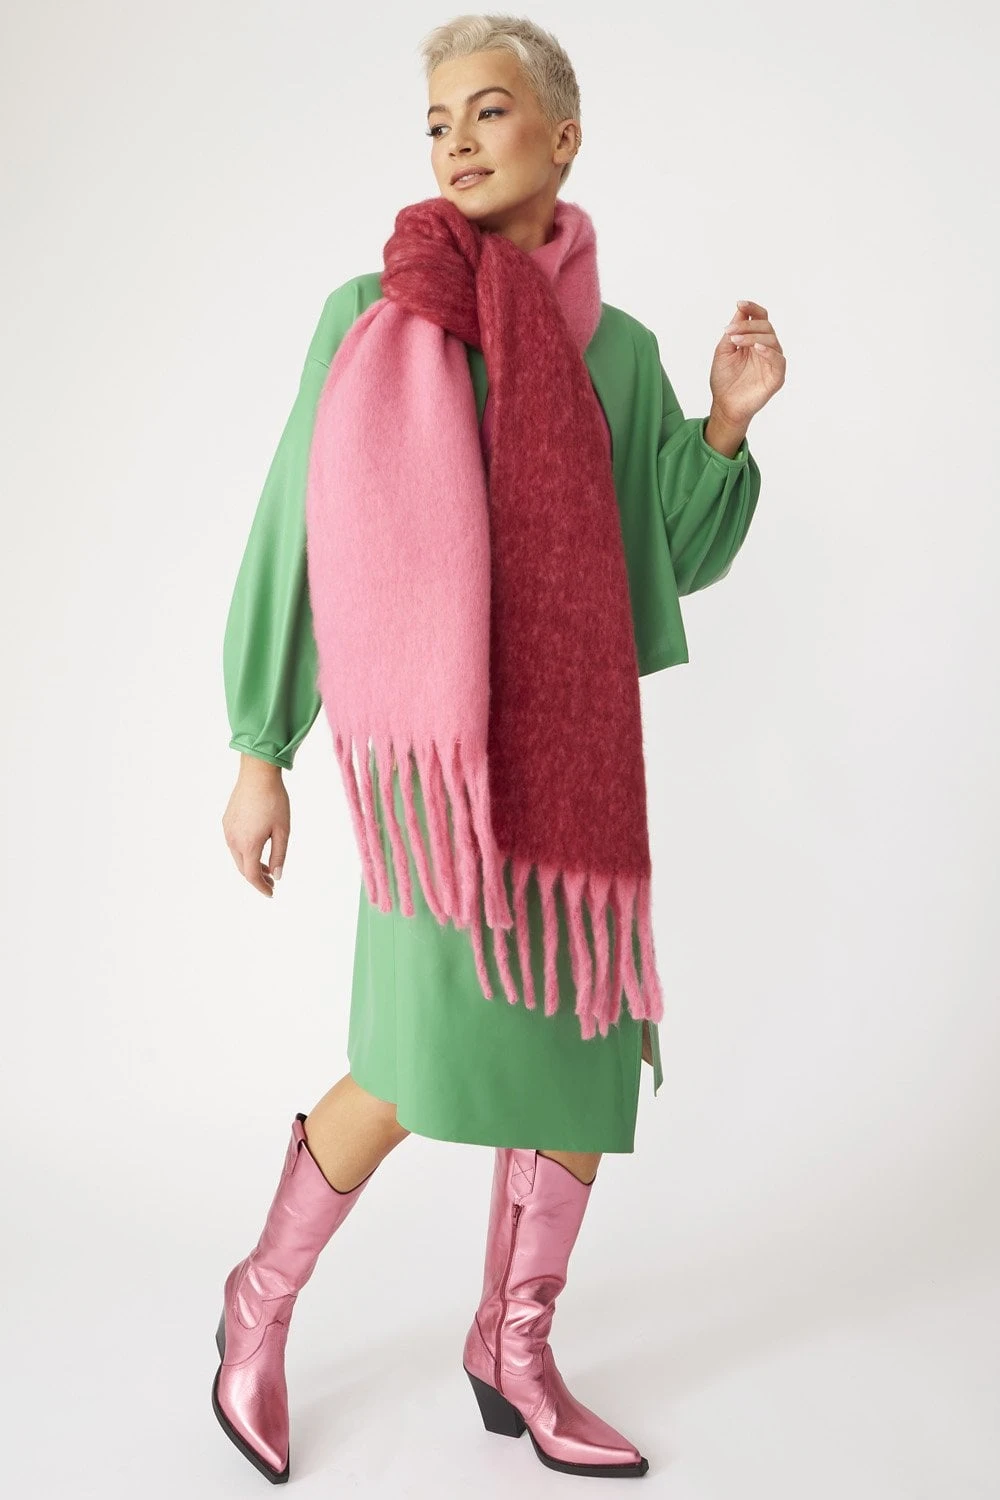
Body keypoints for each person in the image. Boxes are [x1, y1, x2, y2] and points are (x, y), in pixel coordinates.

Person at [212, 12, 784, 1485]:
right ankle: (256, 1304)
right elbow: (295, 533)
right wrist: (263, 745)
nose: (458, 142)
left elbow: (670, 552)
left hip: (570, 779)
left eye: (488, 112)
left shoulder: (620, 351)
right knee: (409, 1068)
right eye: (437, 122)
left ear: (562, 137)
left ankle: (513, 1347)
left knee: (579, 1064)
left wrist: (723, 425)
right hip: (437, 788)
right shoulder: (371, 319)